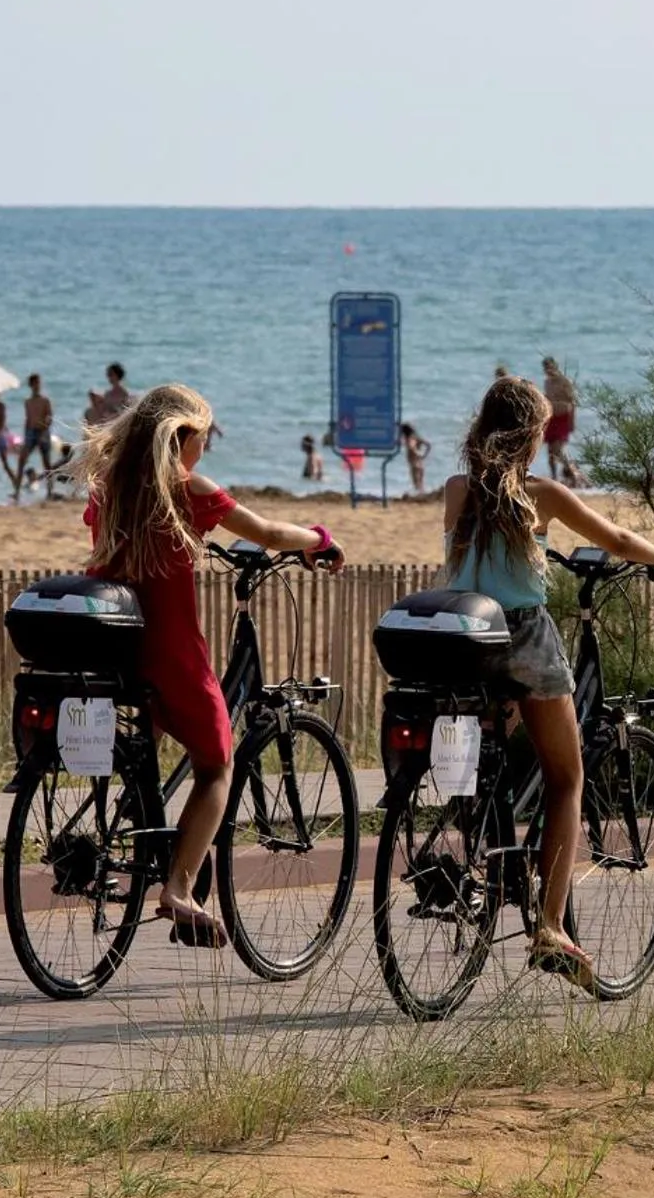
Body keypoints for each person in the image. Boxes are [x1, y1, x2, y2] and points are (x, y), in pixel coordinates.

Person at [442, 375, 654, 990]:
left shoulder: (455, 490)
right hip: (521, 638)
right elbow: (616, 540)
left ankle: (489, 862)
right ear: (532, 436)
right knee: (567, 777)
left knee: (486, 767)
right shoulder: (542, 495)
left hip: (463, 636)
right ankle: (550, 926)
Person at [80, 383, 343, 947]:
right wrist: (318, 539)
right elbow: (270, 534)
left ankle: (132, 823)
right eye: (203, 439)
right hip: (167, 646)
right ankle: (178, 888)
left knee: (142, 746)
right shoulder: (186, 489)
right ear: (183, 437)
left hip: (114, 640)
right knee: (217, 762)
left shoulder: (111, 490)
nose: (205, 451)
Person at [541, 357, 584, 486]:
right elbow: (547, 399)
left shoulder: (565, 381)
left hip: (563, 418)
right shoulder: (547, 382)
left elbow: (572, 402)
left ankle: (574, 474)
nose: (548, 370)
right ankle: (554, 479)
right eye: (546, 367)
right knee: (550, 452)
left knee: (558, 450)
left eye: (550, 366)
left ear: (555, 366)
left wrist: (572, 421)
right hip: (551, 418)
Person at [21, 374, 57, 485]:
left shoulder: (45, 400)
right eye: (35, 383)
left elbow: (49, 417)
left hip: (43, 431)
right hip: (31, 432)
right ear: (31, 385)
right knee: (22, 460)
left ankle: (50, 490)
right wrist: (25, 436)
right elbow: (28, 419)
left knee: (46, 462)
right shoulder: (28, 401)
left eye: (39, 383)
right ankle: (17, 491)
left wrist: (44, 429)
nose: (37, 385)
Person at [84, 363, 131, 429]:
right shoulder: (108, 393)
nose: (108, 377)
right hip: (106, 418)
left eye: (111, 374)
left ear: (117, 375)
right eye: (108, 374)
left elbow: (124, 411)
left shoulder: (124, 393)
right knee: (88, 412)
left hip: (115, 420)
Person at [399, 420, 432, 496]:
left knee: (417, 483)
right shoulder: (416, 437)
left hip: (414, 463)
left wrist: (418, 454)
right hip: (420, 463)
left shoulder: (409, 439)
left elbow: (411, 448)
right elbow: (428, 445)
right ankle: (422, 495)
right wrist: (424, 455)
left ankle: (420, 497)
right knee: (421, 483)